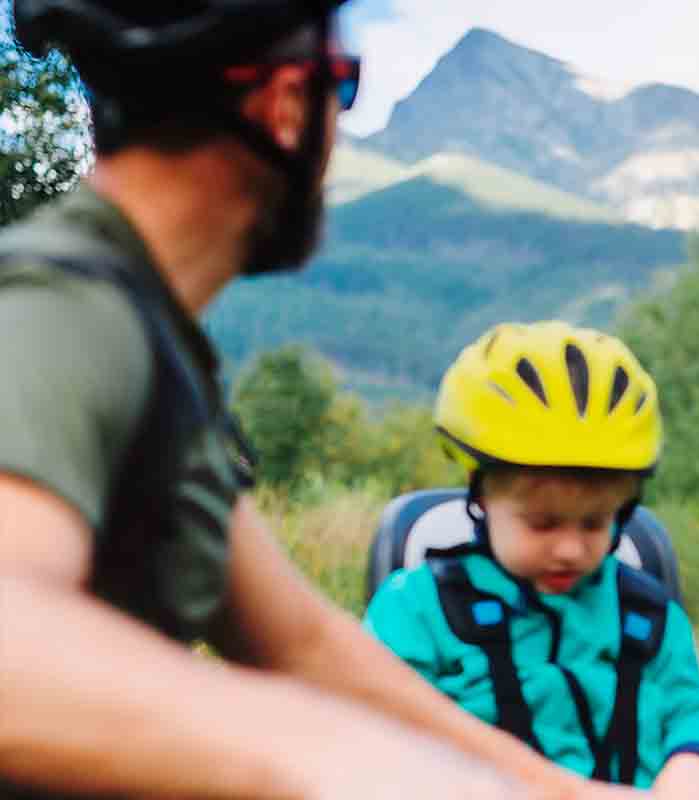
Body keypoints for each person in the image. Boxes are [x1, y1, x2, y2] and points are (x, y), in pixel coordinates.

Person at [0, 3, 639, 797]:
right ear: (289, 102)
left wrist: (562, 792)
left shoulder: (151, 340)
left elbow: (301, 646)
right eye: (347, 93)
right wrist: (354, 764)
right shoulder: (63, 307)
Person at [366, 322, 699, 799]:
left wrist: (691, 767)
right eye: (542, 524)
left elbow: (694, 703)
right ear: (480, 497)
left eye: (594, 523)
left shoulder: (646, 617)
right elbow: (374, 725)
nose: (570, 548)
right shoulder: (417, 611)